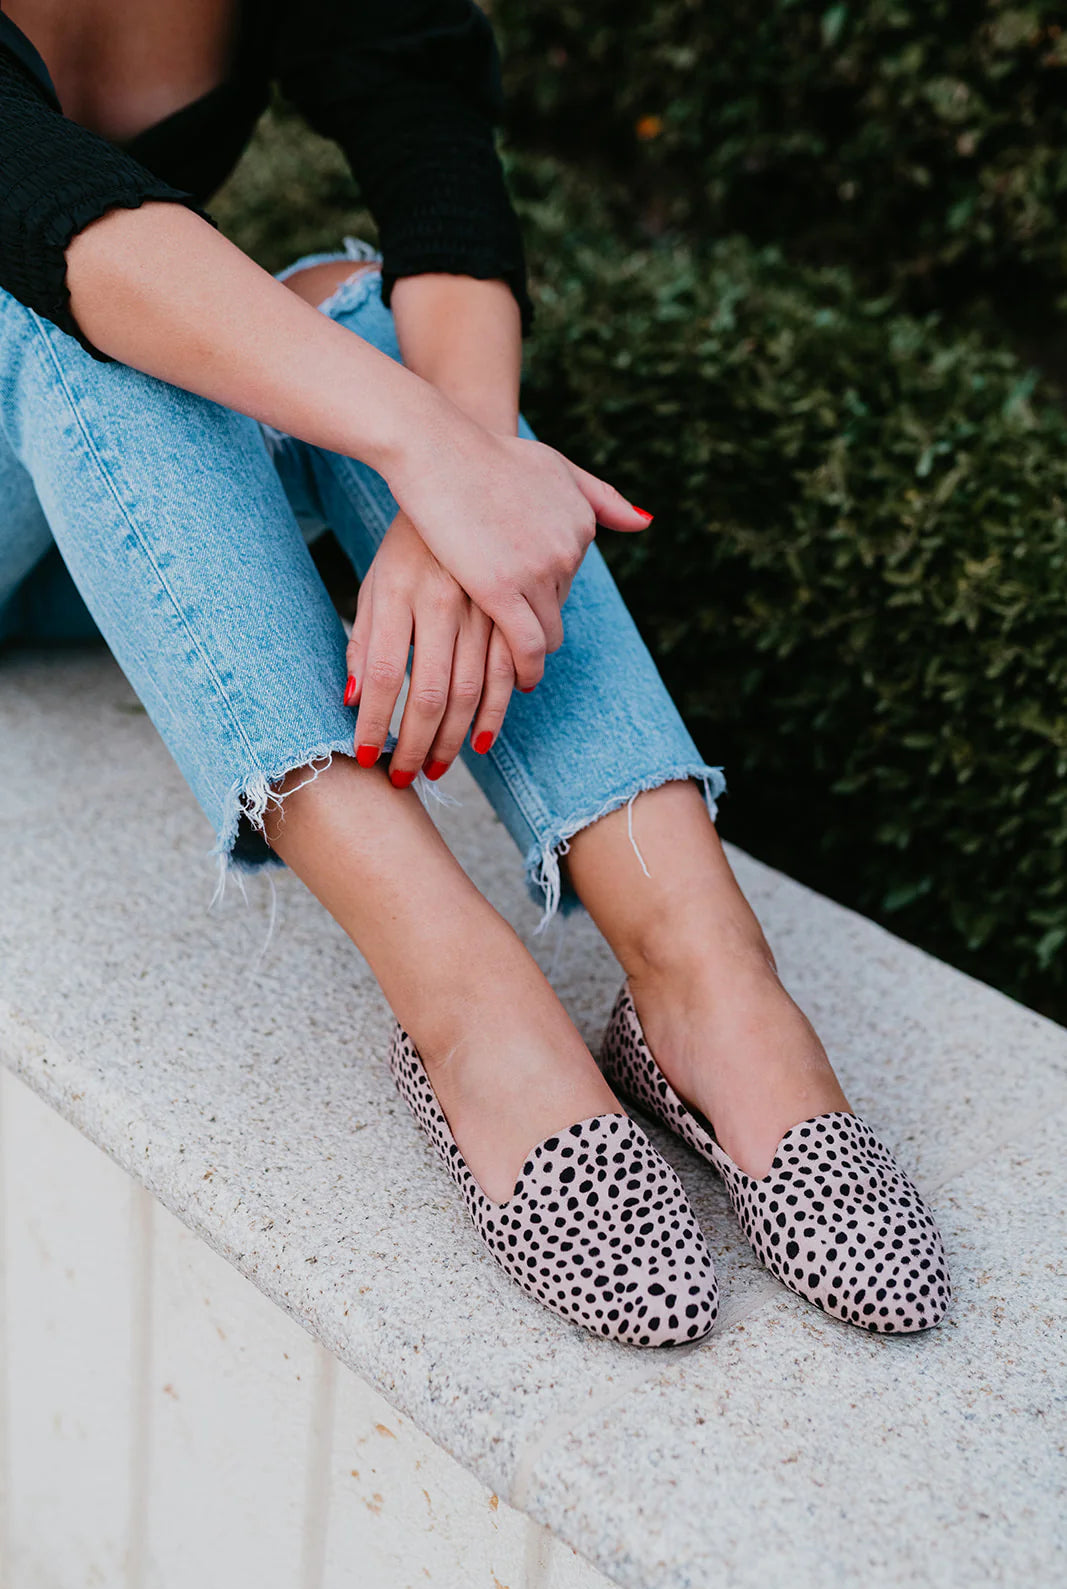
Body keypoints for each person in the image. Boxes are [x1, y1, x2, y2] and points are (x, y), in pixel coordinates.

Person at [0, 0, 950, 1344]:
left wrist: (462, 483)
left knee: (370, 312)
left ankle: (707, 977)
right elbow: (54, 220)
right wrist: (434, 460)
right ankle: (467, 1004)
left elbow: (435, 164)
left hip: (99, 507)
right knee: (71, 312)